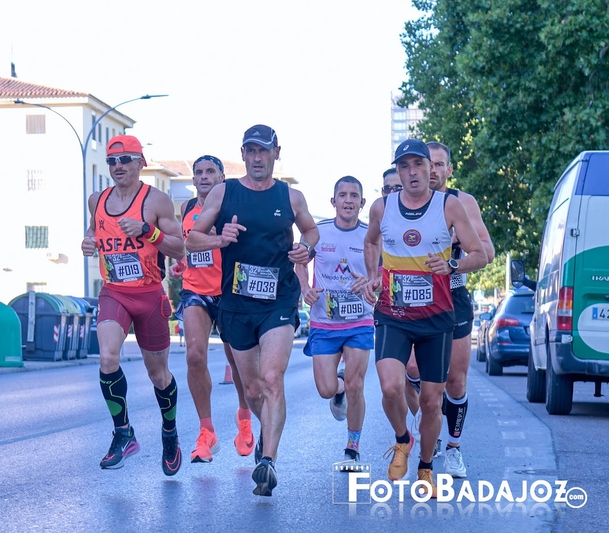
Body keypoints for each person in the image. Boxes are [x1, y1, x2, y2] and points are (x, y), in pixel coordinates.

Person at [185, 124, 319, 497]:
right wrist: (219, 239)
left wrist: (304, 249)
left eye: (264, 151)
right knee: (254, 389)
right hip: (237, 304)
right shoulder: (223, 192)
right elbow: (192, 237)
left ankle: (268, 462)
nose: (258, 157)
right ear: (242, 154)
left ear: (277, 153)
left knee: (272, 378)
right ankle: (265, 437)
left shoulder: (291, 197)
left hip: (278, 300)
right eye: (251, 151)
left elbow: (311, 232)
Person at [363, 139, 487, 498]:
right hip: (393, 313)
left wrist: (451, 264)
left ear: (431, 170)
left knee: (433, 401)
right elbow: (371, 243)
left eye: (419, 165)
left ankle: (426, 465)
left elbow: (479, 254)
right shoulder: (382, 207)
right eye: (405, 167)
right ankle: (403, 439)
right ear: (398, 172)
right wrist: (374, 274)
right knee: (389, 386)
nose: (413, 172)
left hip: (437, 318)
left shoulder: (450, 205)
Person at [81, 135, 185, 476]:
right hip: (114, 292)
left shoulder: (157, 201)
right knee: (108, 357)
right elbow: (95, 232)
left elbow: (179, 248)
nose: (118, 167)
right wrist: (88, 242)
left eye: (125, 159)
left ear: (140, 162)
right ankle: (123, 432)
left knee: (158, 374)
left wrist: (147, 231)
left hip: (150, 295)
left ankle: (169, 433)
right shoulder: (97, 200)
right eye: (112, 161)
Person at [169, 154, 254, 464]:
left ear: (221, 178)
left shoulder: (230, 208)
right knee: (194, 356)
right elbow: (186, 246)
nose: (204, 177)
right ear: (193, 180)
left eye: (210, 172)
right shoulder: (187, 209)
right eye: (199, 173)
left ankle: (244, 418)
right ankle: (207, 432)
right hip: (195, 290)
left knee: (239, 364)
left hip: (229, 292)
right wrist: (179, 265)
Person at [426, 141, 495, 477]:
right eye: (429, 164)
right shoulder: (401, 204)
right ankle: (430, 420)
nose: (434, 170)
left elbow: (487, 252)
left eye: (440, 164)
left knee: (455, 379)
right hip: (414, 301)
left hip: (452, 296)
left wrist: (453, 261)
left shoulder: (462, 202)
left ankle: (453, 448)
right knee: (420, 375)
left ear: (449, 170)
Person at [295, 176, 375, 463]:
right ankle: (337, 388)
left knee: (357, 384)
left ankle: (352, 446)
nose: (348, 200)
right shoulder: (319, 232)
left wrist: (369, 282)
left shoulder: (370, 236)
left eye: (354, 195)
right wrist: (305, 288)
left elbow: (380, 275)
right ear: (334, 201)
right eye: (343, 195)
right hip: (324, 321)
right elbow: (299, 261)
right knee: (325, 388)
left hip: (359, 320)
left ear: (362, 203)